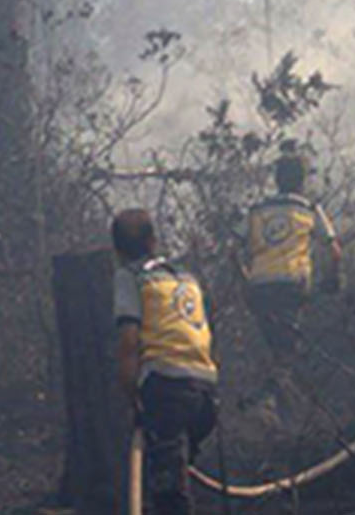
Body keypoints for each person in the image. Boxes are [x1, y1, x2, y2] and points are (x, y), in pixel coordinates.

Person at [112, 209, 218, 515]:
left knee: (169, 492)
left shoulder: (129, 276)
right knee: (169, 474)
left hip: (165, 389)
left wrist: (130, 393)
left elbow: (129, 341)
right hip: (206, 394)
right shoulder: (186, 277)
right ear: (153, 240)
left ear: (117, 251)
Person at [240, 148, 342, 358]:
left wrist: (246, 280)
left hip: (261, 284)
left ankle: (277, 370)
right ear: (302, 181)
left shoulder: (256, 209)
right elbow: (335, 251)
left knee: (271, 342)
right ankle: (287, 368)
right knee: (290, 341)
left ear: (277, 180)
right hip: (293, 282)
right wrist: (332, 279)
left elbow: (232, 249)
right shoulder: (309, 208)